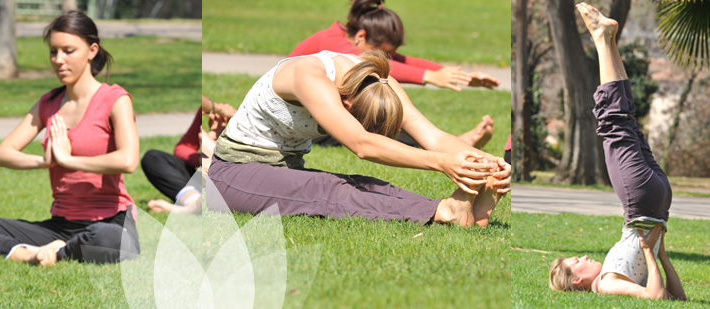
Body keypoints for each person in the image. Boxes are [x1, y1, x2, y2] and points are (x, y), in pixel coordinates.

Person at [207, 48, 510, 228]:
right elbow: (362, 145)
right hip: (233, 175)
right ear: (347, 105)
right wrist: (443, 164)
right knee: (326, 189)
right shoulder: (308, 76)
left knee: (366, 184)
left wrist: (486, 164)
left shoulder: (375, 81)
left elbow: (431, 134)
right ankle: (441, 211)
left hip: (282, 169)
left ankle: (459, 209)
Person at [0, 11, 140, 265]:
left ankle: (60, 251)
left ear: (92, 50)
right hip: (59, 225)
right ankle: (26, 253)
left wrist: (69, 160)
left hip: (110, 221)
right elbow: (2, 154)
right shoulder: (49, 103)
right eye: (53, 52)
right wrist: (45, 161)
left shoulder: (115, 99)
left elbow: (128, 160)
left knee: (112, 238)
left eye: (68, 51)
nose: (59, 60)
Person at [547, 3, 685, 300]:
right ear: (577, 282)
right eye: (576, 263)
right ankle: (600, 37)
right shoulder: (607, 283)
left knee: (626, 121)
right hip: (643, 203)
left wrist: (660, 255)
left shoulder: (608, 276)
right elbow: (657, 298)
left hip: (656, 203)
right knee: (615, 125)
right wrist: (650, 253)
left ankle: (607, 39)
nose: (582, 257)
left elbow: (679, 300)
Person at [292, 0, 496, 149]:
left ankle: (446, 145)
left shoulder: (350, 38)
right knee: (375, 120)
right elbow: (369, 64)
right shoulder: (332, 42)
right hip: (301, 123)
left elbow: (402, 61)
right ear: (361, 36)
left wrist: (454, 75)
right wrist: (429, 77)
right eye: (383, 52)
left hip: (321, 114)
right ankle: (449, 145)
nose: (387, 59)